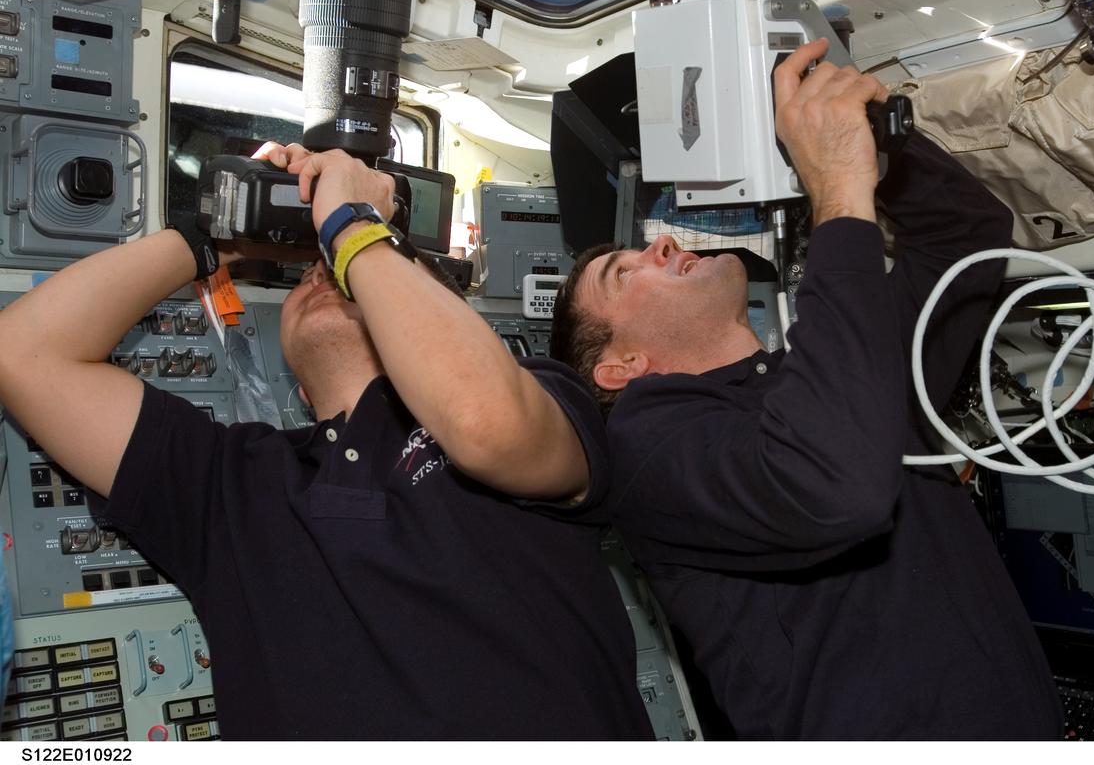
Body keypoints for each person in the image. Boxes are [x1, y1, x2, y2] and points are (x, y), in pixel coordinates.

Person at [0, 144, 654, 740]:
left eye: (351, 270)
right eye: (314, 268)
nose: (328, 272)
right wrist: (220, 235)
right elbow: (23, 354)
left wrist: (354, 226)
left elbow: (482, 418)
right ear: (297, 386)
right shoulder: (235, 484)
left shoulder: (541, 397)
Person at [549, 38, 1063, 739]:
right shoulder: (646, 452)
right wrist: (838, 188)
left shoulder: (825, 375)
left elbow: (966, 239)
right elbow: (836, 490)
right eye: (623, 271)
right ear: (621, 365)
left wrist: (869, 132)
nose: (659, 246)